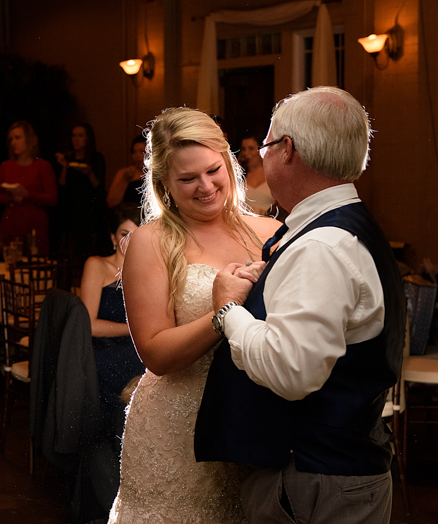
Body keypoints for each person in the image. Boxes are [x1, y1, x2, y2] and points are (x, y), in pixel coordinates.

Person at [196, 87, 406, 523]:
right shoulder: (336, 228)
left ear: (286, 150)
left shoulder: (323, 246)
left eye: (267, 145)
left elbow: (290, 371)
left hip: (317, 479)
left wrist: (228, 312)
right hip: (332, 470)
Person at [107, 108, 280, 523]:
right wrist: (223, 312)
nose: (205, 186)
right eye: (187, 179)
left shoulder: (270, 233)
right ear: (164, 182)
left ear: (228, 160)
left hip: (252, 424)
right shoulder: (150, 243)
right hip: (175, 432)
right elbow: (155, 354)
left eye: (213, 170)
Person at [79, 202, 144, 443]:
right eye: (124, 235)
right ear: (113, 238)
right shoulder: (97, 265)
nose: (129, 241)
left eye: (136, 235)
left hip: (139, 348)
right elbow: (89, 324)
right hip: (105, 349)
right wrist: (134, 329)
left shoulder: (150, 270)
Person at [0, 120, 57, 255]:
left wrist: (27, 194)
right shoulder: (6, 166)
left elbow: (52, 198)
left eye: (18, 138)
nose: (13, 142)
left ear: (29, 139)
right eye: (11, 139)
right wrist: (10, 198)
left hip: (34, 223)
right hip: (11, 222)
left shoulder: (42, 166)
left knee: (34, 264)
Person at [55, 123, 106, 283]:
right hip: (70, 217)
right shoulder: (67, 158)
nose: (76, 139)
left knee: (88, 261)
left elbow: (100, 189)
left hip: (89, 217)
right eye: (74, 135)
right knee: (68, 262)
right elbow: (61, 188)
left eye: (80, 135)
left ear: (88, 138)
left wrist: (89, 172)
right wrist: (64, 167)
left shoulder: (96, 158)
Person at [239, 135, 276, 215]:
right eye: (244, 149)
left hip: (270, 224)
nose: (246, 153)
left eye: (251, 148)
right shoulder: (240, 177)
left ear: (261, 149)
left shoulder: (272, 174)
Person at [106, 135, 146, 208]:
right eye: (134, 152)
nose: (137, 156)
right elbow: (111, 203)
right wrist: (125, 179)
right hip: (129, 216)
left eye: (142, 152)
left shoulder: (160, 173)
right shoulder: (124, 173)